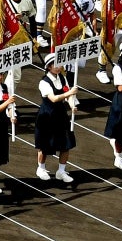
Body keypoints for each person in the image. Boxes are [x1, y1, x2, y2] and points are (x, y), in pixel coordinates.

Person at [34, 56, 78, 184]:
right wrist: (68, 94)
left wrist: (72, 105)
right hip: (47, 117)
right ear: (48, 67)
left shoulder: (63, 78)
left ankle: (61, 171)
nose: (59, 67)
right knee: (44, 145)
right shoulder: (44, 82)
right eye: (55, 65)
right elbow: (53, 98)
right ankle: (41, 168)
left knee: (66, 144)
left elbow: (68, 94)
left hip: (61, 115)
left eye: (60, 64)